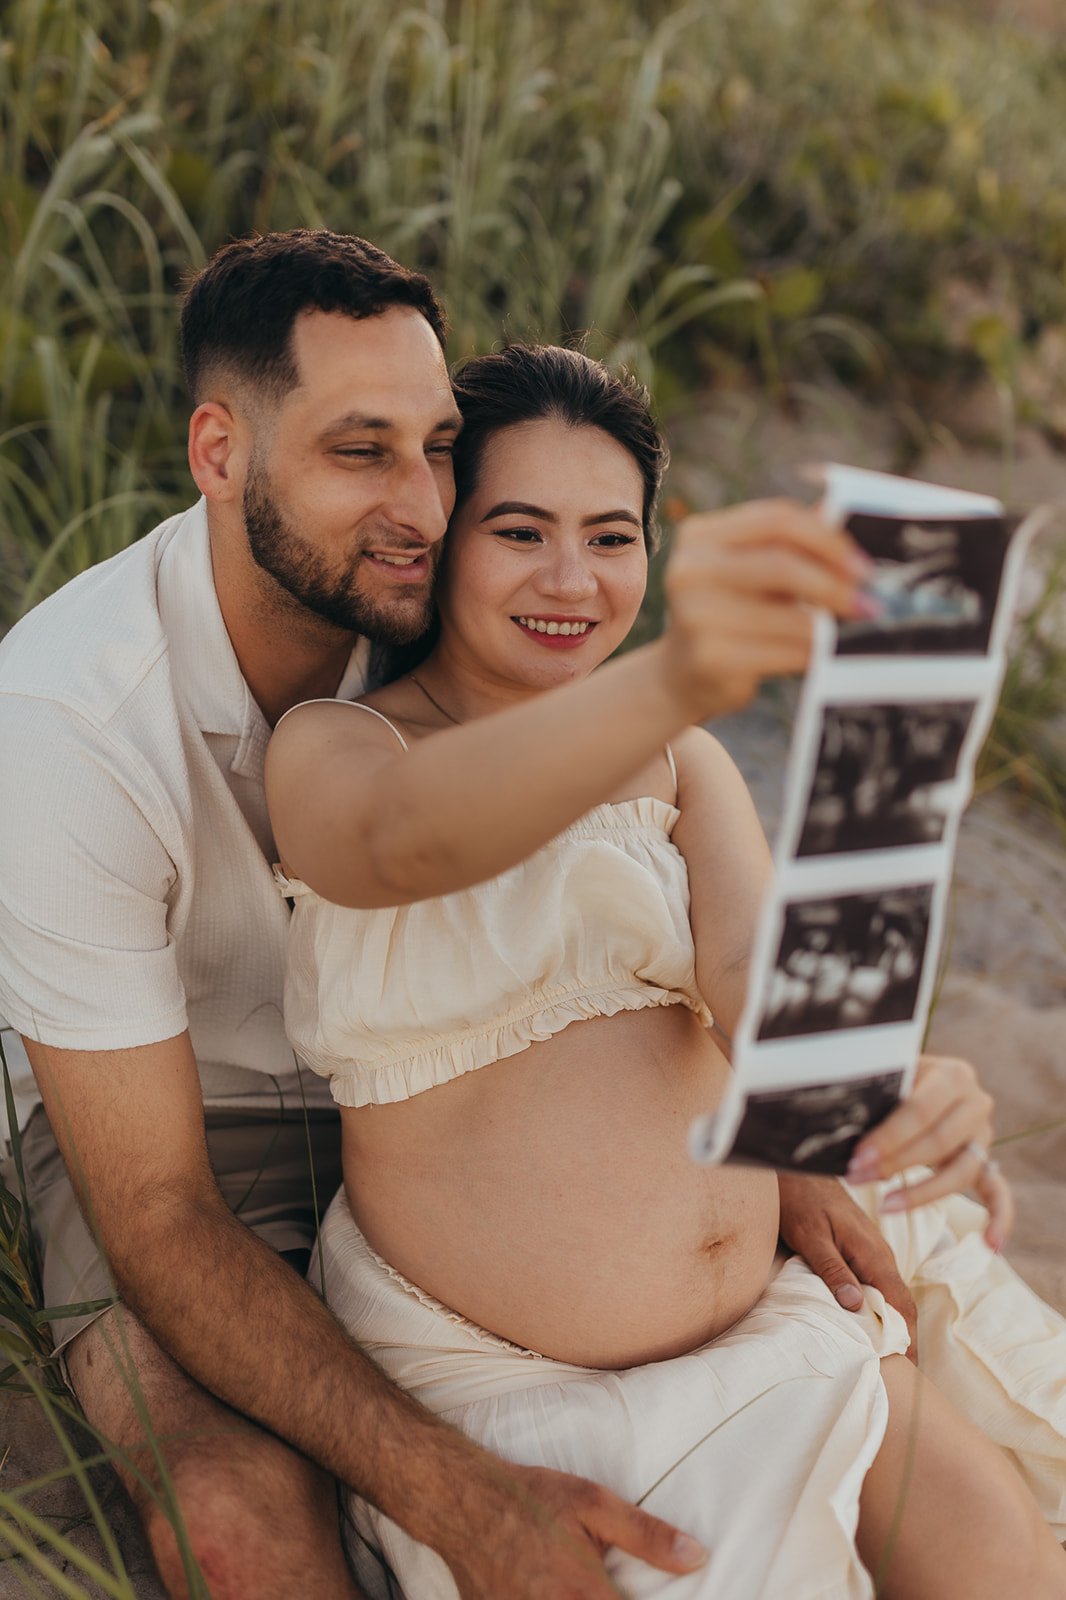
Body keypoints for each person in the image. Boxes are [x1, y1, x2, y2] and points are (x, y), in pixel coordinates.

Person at [0, 227, 938, 1600]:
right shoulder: (62, 727)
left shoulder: (440, 592)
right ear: (218, 455)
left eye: (436, 445)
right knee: (237, 1521)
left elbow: (695, 918)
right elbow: (158, 1214)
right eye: (357, 449)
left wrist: (786, 1131)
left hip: (445, 1114)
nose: (422, 505)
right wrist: (461, 1496)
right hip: (179, 1124)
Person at [264, 343, 1066, 1599]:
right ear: (439, 541)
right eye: (519, 530)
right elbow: (403, 839)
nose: (572, 581)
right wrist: (675, 674)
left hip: (778, 1326)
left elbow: (757, 981)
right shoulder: (339, 748)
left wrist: (890, 1079)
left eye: (612, 535)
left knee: (1004, 1564)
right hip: (515, 1385)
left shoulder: (686, 760)